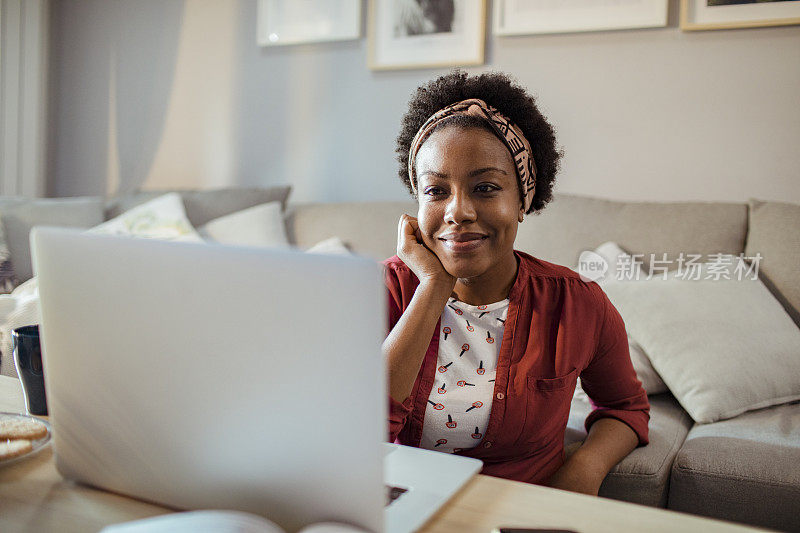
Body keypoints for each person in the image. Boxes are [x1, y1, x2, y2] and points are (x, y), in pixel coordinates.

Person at [383, 70, 650, 496]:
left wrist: (584, 469)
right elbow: (358, 433)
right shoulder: (381, 292)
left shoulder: (578, 303)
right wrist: (432, 286)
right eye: (436, 191)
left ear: (522, 200)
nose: (458, 211)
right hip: (399, 507)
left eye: (485, 188)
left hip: (519, 512)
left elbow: (626, 407)